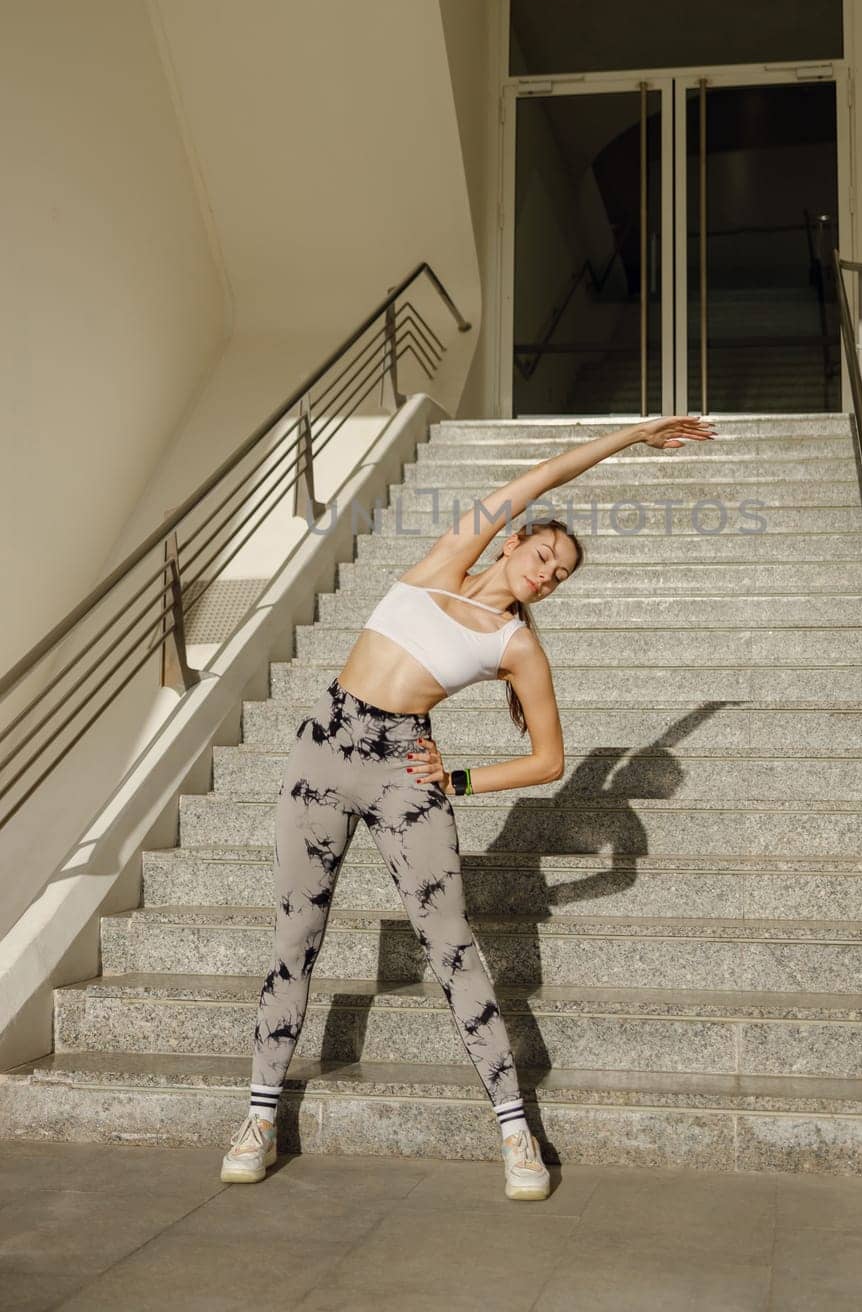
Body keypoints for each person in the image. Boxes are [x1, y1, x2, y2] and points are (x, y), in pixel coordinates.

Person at [220, 413, 715, 1197]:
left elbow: (549, 760)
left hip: (403, 774)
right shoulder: (447, 559)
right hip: (322, 751)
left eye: (559, 576)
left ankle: (516, 1132)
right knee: (296, 935)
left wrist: (457, 782)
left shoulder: (516, 645)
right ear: (513, 539)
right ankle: (257, 1117)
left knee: (452, 947)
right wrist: (634, 436)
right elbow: (547, 474)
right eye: (544, 555)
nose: (547, 575)